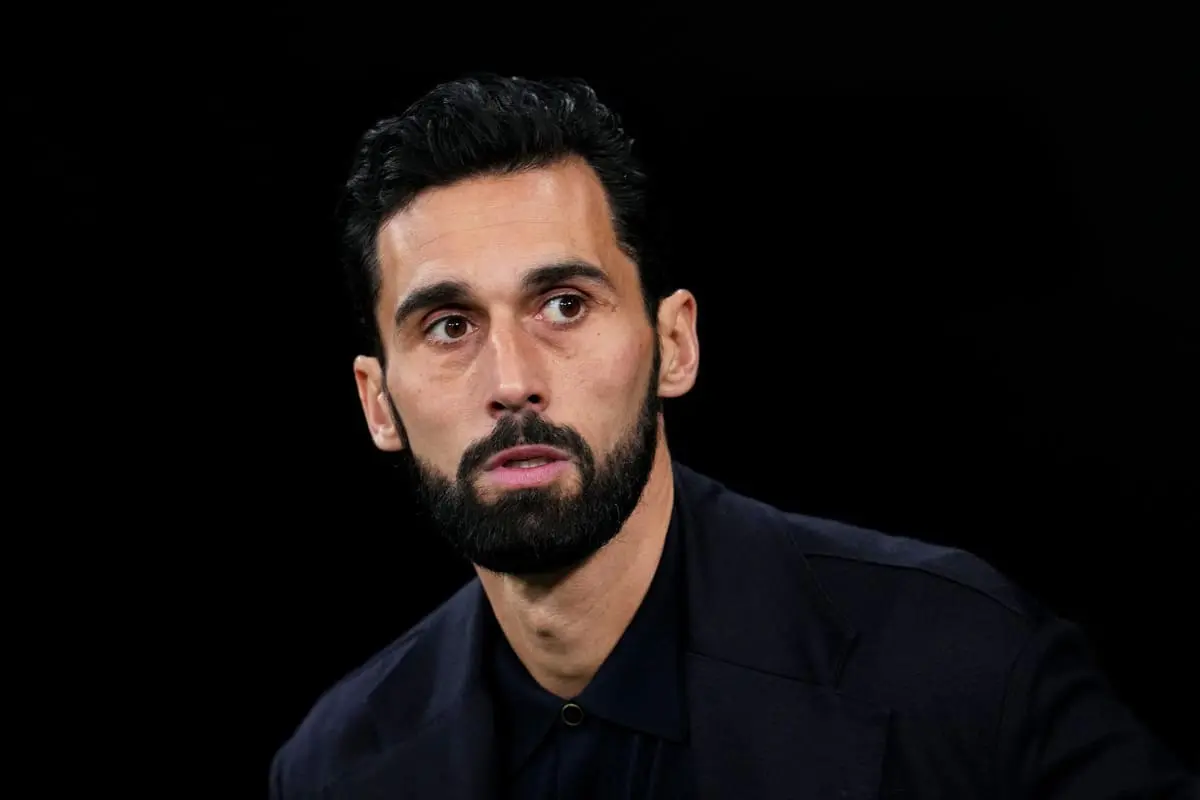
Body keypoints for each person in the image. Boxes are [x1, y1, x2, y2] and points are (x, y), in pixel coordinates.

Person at [268, 75, 1196, 799]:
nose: (512, 382)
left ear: (674, 345)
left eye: (563, 305)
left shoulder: (967, 667)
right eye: (448, 326)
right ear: (378, 404)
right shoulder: (333, 766)